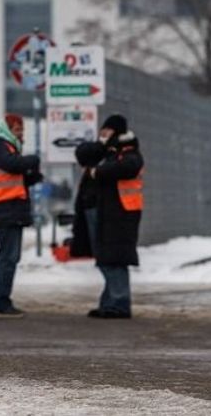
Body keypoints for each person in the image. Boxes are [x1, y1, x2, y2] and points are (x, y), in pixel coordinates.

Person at [71, 114, 144, 320]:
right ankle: (110, 302)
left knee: (113, 260)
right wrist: (102, 145)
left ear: (117, 132)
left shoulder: (128, 151)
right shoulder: (104, 151)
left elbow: (128, 167)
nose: (103, 133)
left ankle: (119, 304)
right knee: (105, 259)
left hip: (118, 215)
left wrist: (98, 172)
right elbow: (82, 155)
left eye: (107, 131)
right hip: (98, 211)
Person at [0, 113, 42, 318]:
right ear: (7, 130)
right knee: (8, 257)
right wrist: (31, 161)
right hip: (4, 208)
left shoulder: (7, 147)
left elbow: (13, 176)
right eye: (17, 130)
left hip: (10, 208)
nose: (21, 133)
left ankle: (3, 301)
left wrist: (30, 177)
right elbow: (11, 165)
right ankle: (1, 303)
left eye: (22, 130)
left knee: (10, 256)